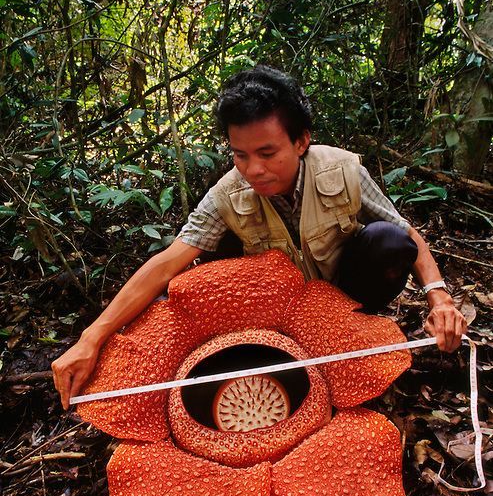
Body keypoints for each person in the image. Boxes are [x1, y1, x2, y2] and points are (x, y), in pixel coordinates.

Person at [52, 65, 467, 409]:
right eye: (240, 154)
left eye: (267, 153)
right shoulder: (226, 195)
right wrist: (91, 338)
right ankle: (252, 351)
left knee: (389, 242)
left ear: (301, 141)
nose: (252, 169)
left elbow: (408, 233)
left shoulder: (343, 170)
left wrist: (440, 298)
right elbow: (168, 263)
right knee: (208, 261)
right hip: (270, 318)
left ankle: (357, 338)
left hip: (344, 295)